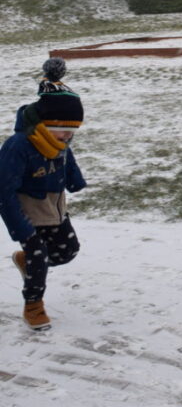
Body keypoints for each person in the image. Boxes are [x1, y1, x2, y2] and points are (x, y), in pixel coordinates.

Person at [0, 58, 86, 330]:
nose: (68, 137)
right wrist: (20, 228)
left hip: (53, 207)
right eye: (65, 131)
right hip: (27, 212)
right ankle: (33, 306)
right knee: (39, 257)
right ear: (45, 125)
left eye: (72, 132)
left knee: (68, 251)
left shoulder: (58, 141)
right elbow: (3, 190)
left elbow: (66, 159)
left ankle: (26, 261)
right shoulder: (18, 147)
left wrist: (75, 180)